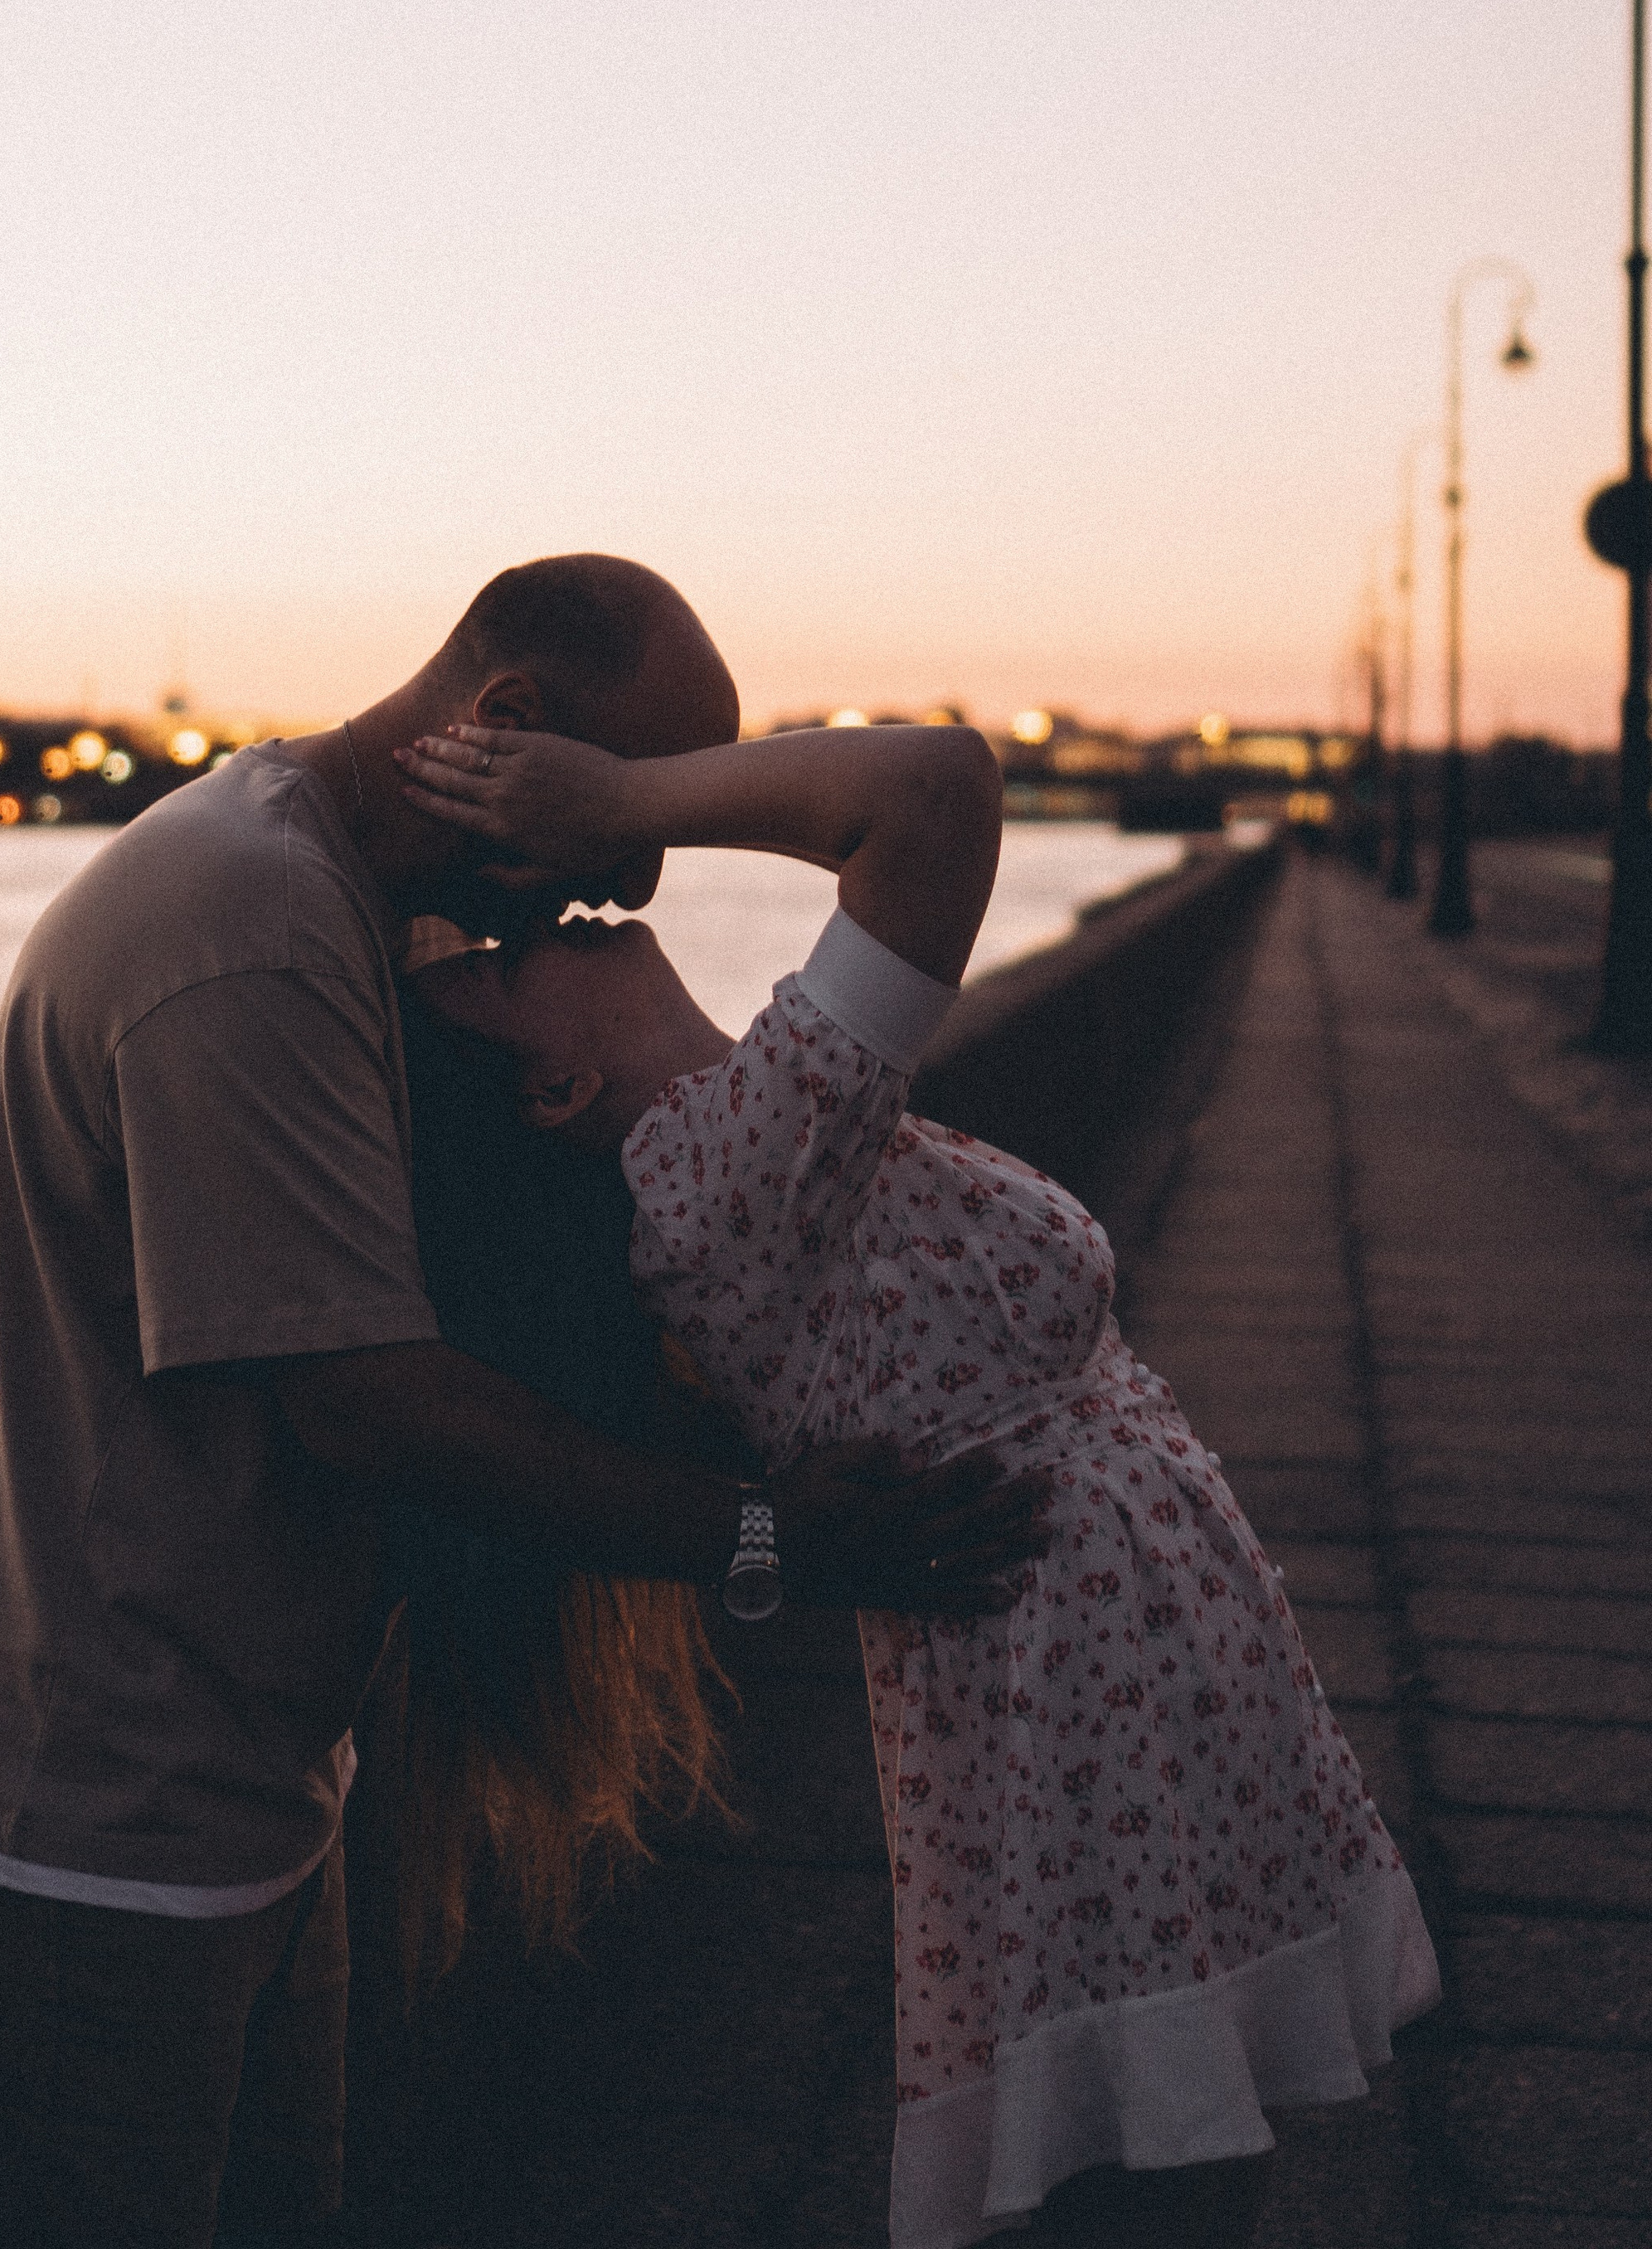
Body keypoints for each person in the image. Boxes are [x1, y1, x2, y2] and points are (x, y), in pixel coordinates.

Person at [0, 558, 1054, 2249]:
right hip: (76, 1821)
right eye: (620, 805)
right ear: (506, 729)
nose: (635, 869)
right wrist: (771, 1539)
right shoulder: (248, 928)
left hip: (231, 1777)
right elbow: (368, 1407)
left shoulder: (355, 908)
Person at [400, 712, 1442, 2249]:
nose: (537, 921)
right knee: (1157, 2167)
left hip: (1102, 1656)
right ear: (552, 1092)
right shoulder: (720, 1174)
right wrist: (624, 794)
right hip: (1070, 1670)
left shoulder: (743, 1145)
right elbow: (935, 793)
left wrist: (511, 853)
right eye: (497, 959)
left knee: (1169, 2136)